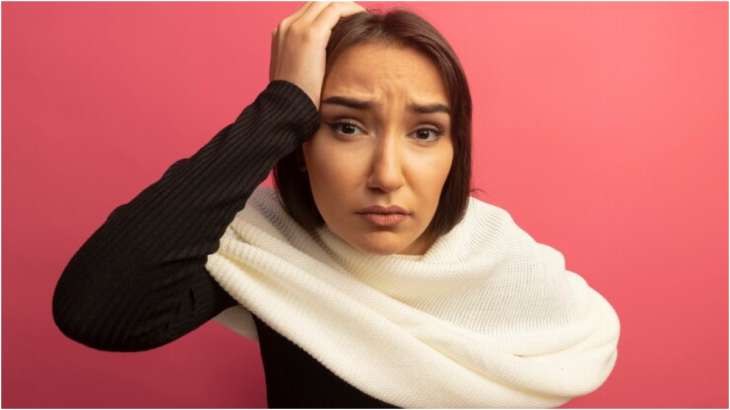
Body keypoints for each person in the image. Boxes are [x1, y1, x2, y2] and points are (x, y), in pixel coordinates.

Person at [52, 2, 621, 409]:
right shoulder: (270, 253)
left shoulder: (510, 268)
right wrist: (280, 106)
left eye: (424, 133)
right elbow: (97, 309)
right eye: (346, 127)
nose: (386, 176)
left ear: (456, 151)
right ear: (300, 146)